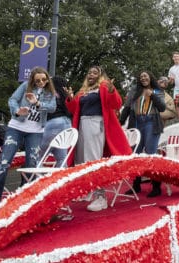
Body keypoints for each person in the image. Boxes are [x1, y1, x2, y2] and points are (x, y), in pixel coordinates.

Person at [0, 67, 57, 211]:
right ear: (32, 80)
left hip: (36, 131)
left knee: (31, 164)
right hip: (16, 127)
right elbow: (12, 99)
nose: (41, 82)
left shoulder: (49, 93)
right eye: (37, 80)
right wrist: (17, 111)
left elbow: (52, 107)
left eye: (44, 79)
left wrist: (37, 103)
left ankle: (24, 197)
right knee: (4, 163)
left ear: (48, 79)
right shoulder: (25, 86)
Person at [66, 66, 131, 212]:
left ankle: (101, 197)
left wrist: (111, 90)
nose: (91, 75)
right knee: (81, 159)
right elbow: (73, 109)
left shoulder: (103, 87)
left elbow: (116, 104)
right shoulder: (83, 91)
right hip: (81, 125)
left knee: (93, 160)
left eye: (95, 73)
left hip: (96, 125)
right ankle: (88, 190)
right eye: (89, 72)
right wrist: (70, 98)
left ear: (101, 76)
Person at [120, 70, 166, 198]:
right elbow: (127, 107)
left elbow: (162, 108)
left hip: (151, 122)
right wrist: (121, 122)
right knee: (136, 154)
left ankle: (156, 186)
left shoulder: (157, 91)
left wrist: (152, 95)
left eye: (146, 76)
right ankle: (136, 185)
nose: (143, 78)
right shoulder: (135, 90)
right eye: (141, 77)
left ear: (151, 77)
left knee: (151, 153)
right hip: (137, 122)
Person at [36, 76, 72, 168]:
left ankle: (37, 180)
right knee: (61, 158)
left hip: (53, 122)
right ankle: (61, 181)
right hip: (67, 124)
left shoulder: (48, 93)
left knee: (37, 155)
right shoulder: (65, 95)